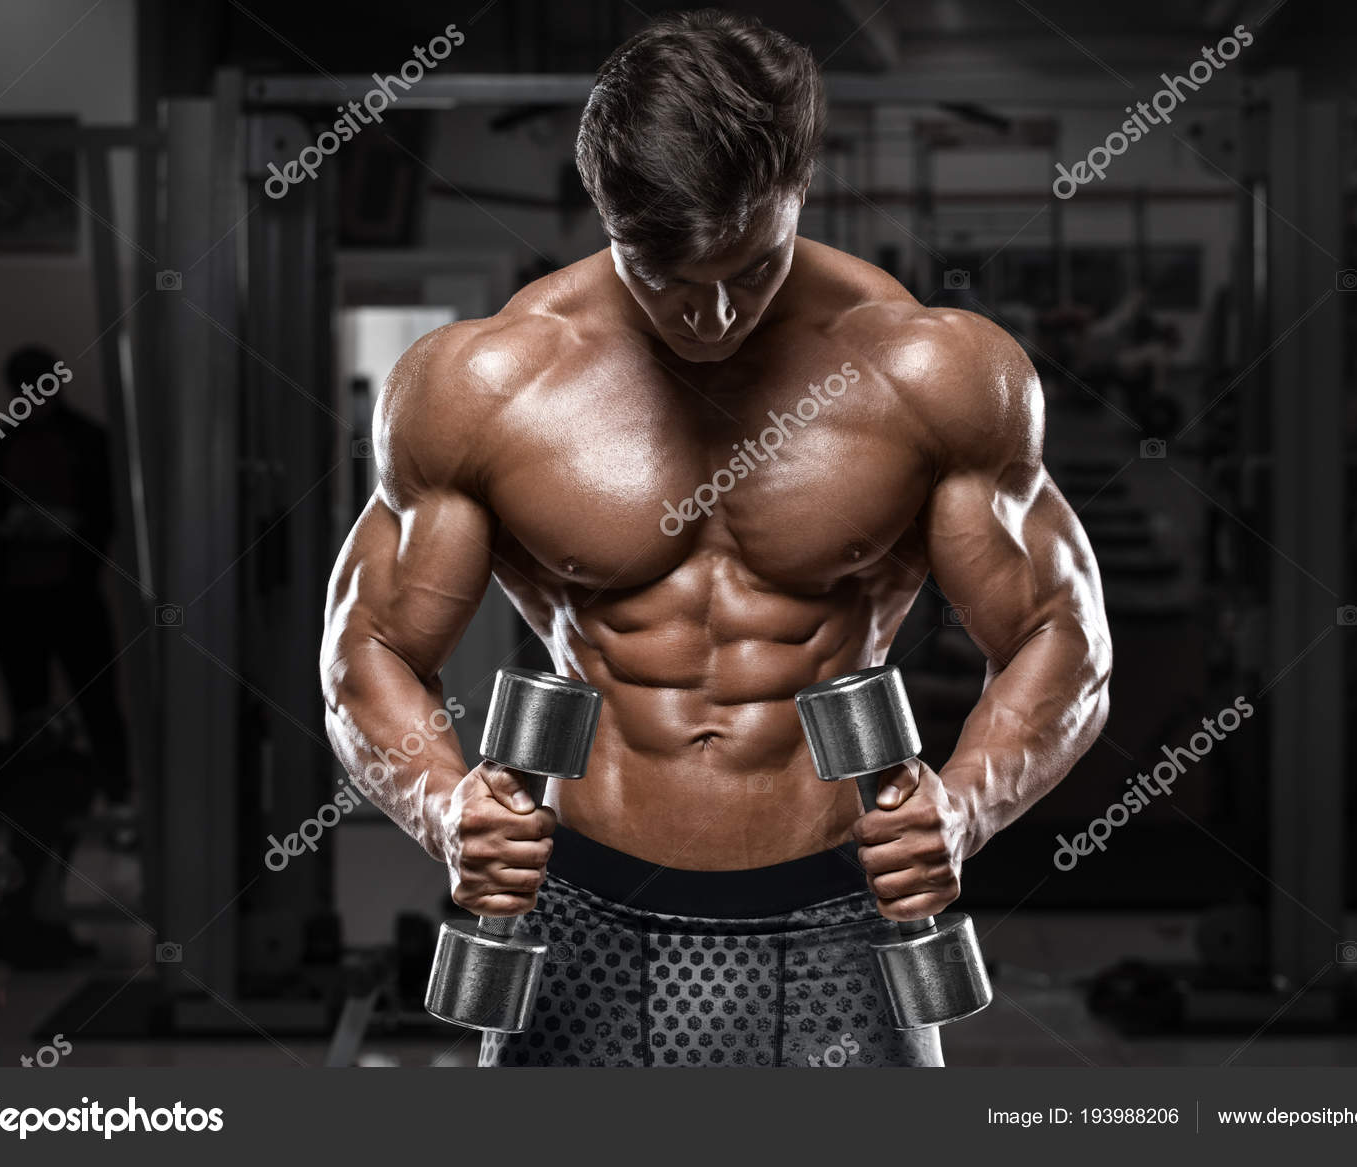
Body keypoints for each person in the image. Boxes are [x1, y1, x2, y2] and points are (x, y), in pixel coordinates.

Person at [321, 9, 1111, 1068]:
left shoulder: (931, 372)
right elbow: (364, 647)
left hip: (841, 902)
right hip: (580, 903)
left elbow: (1064, 635)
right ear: (602, 209)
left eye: (751, 265)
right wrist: (444, 804)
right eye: (667, 277)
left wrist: (963, 809)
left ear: (798, 189)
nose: (712, 314)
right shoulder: (484, 385)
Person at [0, 345, 130, 804]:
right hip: (16, 598)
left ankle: (118, 799)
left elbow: (114, 515)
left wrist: (71, 525)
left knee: (98, 705)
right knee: (26, 707)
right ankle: (29, 805)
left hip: (73, 595)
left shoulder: (89, 441)